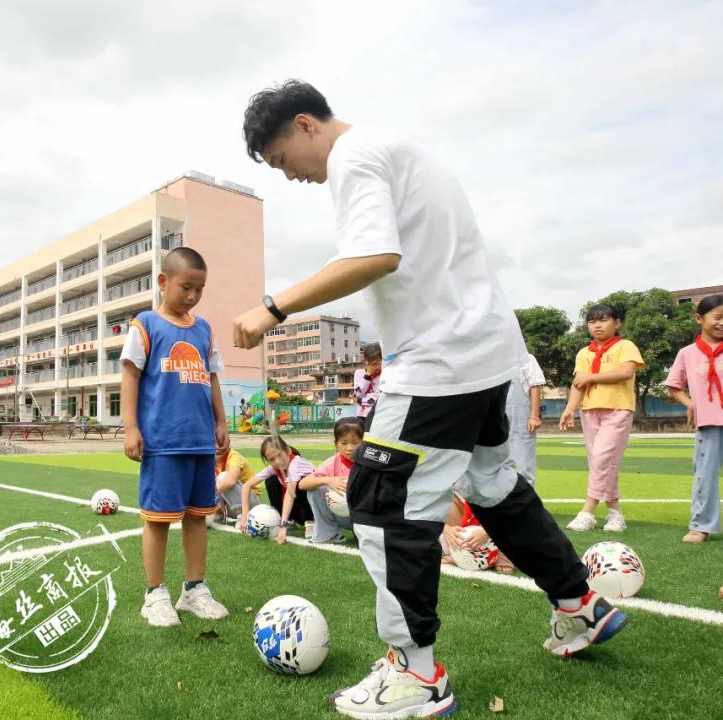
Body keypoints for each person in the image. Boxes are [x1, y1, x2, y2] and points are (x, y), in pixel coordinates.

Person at [232, 80, 626, 719]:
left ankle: (415, 674)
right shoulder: (398, 146)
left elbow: (374, 256)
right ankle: (581, 606)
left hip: (440, 364)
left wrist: (274, 307)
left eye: (282, 161)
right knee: (494, 485)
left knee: (381, 507)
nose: (292, 176)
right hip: (487, 352)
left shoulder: (354, 158)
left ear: (304, 125)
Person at [121, 247, 230, 628]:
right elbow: (130, 376)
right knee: (157, 519)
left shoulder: (204, 330)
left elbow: (213, 378)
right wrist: (131, 427)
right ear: (163, 282)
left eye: (200, 289)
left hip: (201, 440)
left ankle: (194, 589)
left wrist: (221, 421)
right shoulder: (145, 325)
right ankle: (154, 593)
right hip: (163, 443)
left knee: (199, 516)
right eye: (186, 287)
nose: (193, 296)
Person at [559, 304, 644, 532]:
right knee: (601, 462)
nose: (597, 325)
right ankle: (615, 514)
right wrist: (569, 409)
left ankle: (588, 511)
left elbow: (626, 372)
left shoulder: (625, 346)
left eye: (603, 320)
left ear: (617, 323)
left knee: (601, 458)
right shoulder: (584, 353)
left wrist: (591, 377)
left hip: (618, 408)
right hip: (589, 410)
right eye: (592, 321)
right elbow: (578, 383)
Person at [663, 294, 723, 543]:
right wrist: (690, 404)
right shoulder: (686, 353)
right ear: (699, 319)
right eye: (718, 318)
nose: (722, 323)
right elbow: (674, 386)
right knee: (705, 477)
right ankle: (700, 526)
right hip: (708, 423)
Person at [239, 436, 316, 544]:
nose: (278, 461)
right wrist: (245, 516)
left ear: (288, 450)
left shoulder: (296, 464)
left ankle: (311, 522)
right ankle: (288, 520)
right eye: (272, 459)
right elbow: (246, 486)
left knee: (301, 483)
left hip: (315, 510)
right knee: (271, 480)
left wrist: (283, 527)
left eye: (279, 455)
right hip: (297, 510)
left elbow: (290, 494)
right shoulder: (273, 468)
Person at [298, 417, 363, 544]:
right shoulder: (333, 462)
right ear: (336, 443)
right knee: (316, 489)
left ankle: (367, 532)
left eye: (355, 442)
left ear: (364, 441)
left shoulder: (371, 462)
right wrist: (328, 480)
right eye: (344, 443)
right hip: (344, 516)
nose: (350, 448)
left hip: (367, 517)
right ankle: (330, 534)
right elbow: (302, 484)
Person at [441, 492, 515, 574]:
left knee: (498, 498)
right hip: (462, 499)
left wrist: (488, 531)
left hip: (491, 504)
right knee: (444, 499)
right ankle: (458, 552)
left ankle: (500, 551)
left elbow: (516, 507)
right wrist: (445, 528)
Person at [507, 353, 547, 484]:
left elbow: (534, 385)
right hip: (495, 415)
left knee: (524, 466)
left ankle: (525, 502)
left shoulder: (526, 358)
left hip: (521, 417)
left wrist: (534, 416)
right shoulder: (491, 359)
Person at [214, 442, 259, 521]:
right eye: (214, 443)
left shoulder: (234, 456)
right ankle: (218, 514)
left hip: (250, 504)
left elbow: (230, 481)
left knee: (223, 477)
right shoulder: (208, 460)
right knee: (209, 481)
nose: (218, 447)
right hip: (230, 507)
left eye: (221, 443)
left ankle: (242, 517)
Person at [353, 342, 383, 431]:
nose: (374, 366)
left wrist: (360, 400)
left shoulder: (384, 375)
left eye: (377, 363)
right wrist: (368, 375)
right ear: (365, 360)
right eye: (371, 363)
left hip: (377, 415)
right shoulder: (359, 373)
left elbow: (378, 398)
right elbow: (358, 393)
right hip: (361, 416)